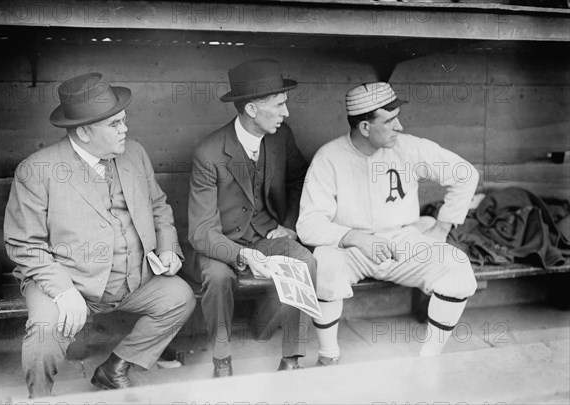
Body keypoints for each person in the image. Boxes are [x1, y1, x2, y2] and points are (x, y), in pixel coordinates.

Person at [4, 73, 196, 398]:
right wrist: (64, 293)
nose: (125, 129)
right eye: (115, 124)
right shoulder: (37, 170)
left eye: (124, 121)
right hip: (69, 283)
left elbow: (159, 206)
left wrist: (167, 249)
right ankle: (39, 397)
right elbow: (25, 245)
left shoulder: (134, 153)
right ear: (84, 131)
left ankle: (115, 368)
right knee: (44, 333)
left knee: (180, 298)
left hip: (134, 280)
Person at [297, 82, 479, 365]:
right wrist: (353, 237)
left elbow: (465, 174)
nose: (400, 127)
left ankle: (428, 360)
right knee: (325, 264)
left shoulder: (410, 148)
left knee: (456, 265)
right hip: (350, 248)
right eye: (390, 120)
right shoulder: (329, 157)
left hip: (402, 241)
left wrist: (443, 227)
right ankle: (328, 355)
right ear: (365, 127)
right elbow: (308, 224)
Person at [188, 58, 317, 377]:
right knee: (218, 278)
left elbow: (299, 178)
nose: (286, 112)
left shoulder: (281, 136)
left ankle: (290, 357)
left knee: (306, 263)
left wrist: (288, 223)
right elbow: (202, 232)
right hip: (222, 243)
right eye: (279, 104)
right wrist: (241, 254)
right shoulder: (209, 153)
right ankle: (222, 360)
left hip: (266, 235)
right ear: (251, 110)